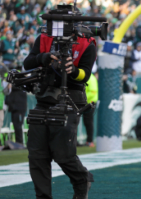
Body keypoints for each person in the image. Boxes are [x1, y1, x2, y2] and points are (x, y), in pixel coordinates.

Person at [23, 23, 96, 198]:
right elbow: (28, 63)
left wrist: (72, 70)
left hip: (70, 97)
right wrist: (45, 57)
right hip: (45, 97)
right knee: (37, 153)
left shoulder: (87, 43)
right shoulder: (43, 38)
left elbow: (85, 74)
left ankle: (81, 180)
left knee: (63, 153)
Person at [83, 73, 98, 147]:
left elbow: (92, 92)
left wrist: (82, 100)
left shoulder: (90, 78)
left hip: (89, 103)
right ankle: (89, 141)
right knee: (87, 122)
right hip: (88, 103)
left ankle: (90, 141)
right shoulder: (90, 77)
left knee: (88, 122)